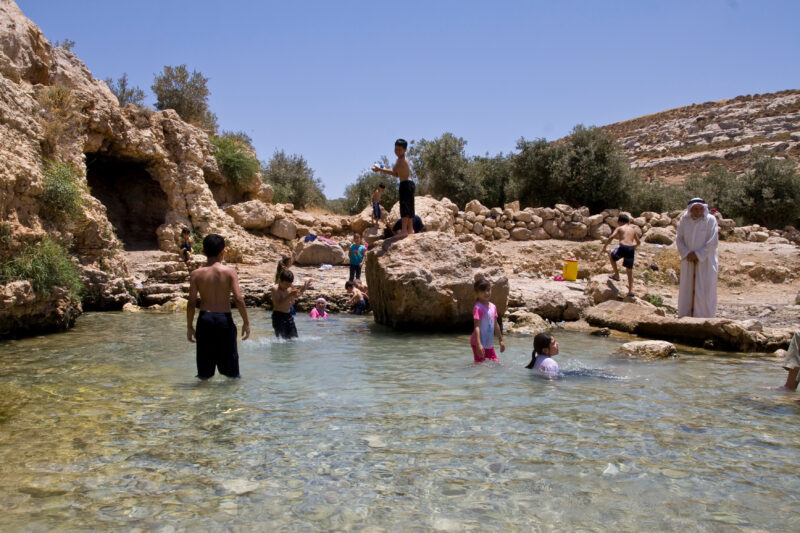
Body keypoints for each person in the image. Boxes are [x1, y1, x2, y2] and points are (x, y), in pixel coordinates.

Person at [186, 234, 250, 379]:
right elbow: (239, 299)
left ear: (203, 251)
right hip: (224, 320)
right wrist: (246, 322)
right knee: (232, 373)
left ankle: (203, 393)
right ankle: (231, 394)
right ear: (223, 251)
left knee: (204, 373)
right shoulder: (230, 272)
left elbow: (191, 303)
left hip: (205, 320)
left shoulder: (196, 274)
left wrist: (189, 326)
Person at [676, 198, 719, 318]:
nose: (698, 211)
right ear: (690, 209)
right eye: (695, 209)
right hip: (688, 260)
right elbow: (679, 239)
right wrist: (687, 253)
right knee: (687, 288)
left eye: (700, 209)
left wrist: (698, 254)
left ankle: (705, 317)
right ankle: (685, 316)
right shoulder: (684, 220)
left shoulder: (710, 220)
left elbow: (713, 241)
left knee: (705, 288)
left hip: (706, 261)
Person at [373, 139, 414, 236]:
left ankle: (404, 231)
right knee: (409, 207)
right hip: (408, 184)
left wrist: (381, 169)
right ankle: (410, 230)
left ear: (405, 150)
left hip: (406, 184)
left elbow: (393, 172)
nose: (397, 151)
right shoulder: (400, 159)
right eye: (396, 149)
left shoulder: (401, 160)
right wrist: (382, 169)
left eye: (399, 150)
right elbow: (396, 174)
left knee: (405, 208)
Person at [599, 214, 641, 297]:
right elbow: (638, 242)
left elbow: (611, 237)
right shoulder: (633, 230)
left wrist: (604, 247)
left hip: (622, 246)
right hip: (631, 248)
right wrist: (634, 247)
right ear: (628, 222)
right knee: (629, 270)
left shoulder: (620, 228)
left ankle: (616, 275)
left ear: (620, 222)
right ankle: (630, 291)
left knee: (611, 256)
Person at [470, 277, 505, 363]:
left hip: (489, 343)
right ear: (477, 293)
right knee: (479, 364)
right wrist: (478, 344)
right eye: (483, 291)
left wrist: (500, 340)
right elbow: (477, 326)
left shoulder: (493, 307)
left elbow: (496, 324)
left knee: (496, 363)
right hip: (478, 342)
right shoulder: (478, 308)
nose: (486, 293)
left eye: (488, 290)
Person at [270, 269, 311, 339]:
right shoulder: (275, 289)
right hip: (278, 317)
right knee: (281, 340)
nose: (287, 286)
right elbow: (277, 305)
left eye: (289, 284)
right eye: (285, 284)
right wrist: (289, 295)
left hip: (288, 315)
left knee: (294, 339)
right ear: (280, 281)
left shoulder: (290, 286)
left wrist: (304, 287)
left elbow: (296, 295)